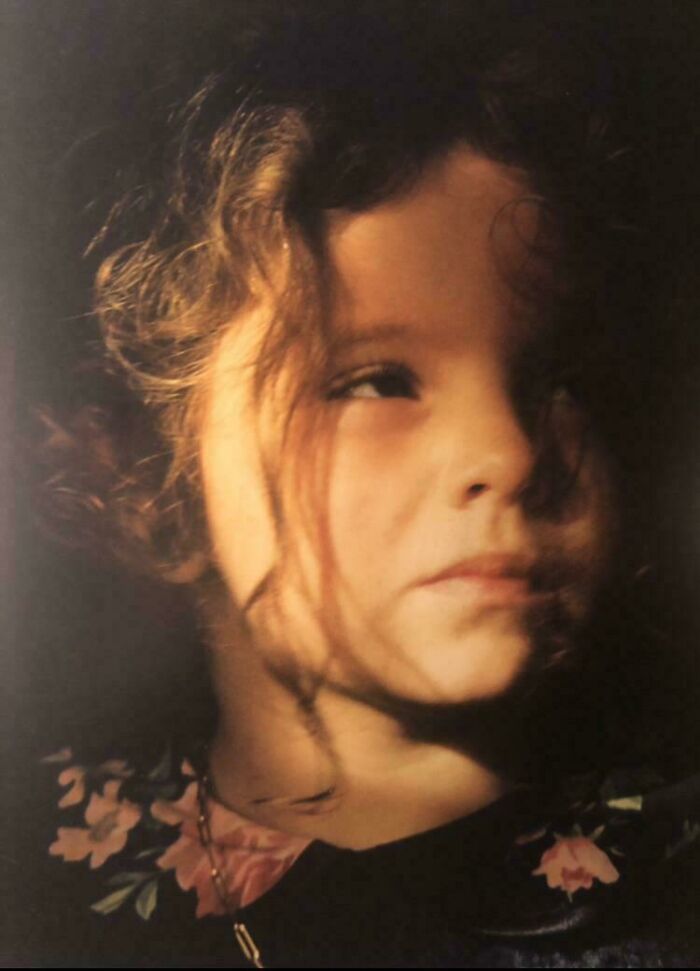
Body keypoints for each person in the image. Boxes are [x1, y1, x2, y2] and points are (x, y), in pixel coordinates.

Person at [11, 3, 700, 967]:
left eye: (556, 379)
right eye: (374, 380)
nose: (507, 450)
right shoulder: (35, 879)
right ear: (146, 473)